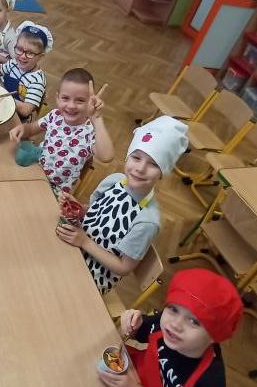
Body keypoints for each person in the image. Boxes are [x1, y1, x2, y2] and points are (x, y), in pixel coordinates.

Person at [103, 269, 243, 387]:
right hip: (123, 379)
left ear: (215, 336)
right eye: (173, 309)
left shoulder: (210, 385)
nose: (175, 324)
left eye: (194, 321)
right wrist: (131, 323)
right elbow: (141, 331)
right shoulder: (168, 326)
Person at [56, 116, 189, 293]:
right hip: (75, 246)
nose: (140, 168)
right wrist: (79, 208)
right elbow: (95, 212)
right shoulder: (114, 180)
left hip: (92, 277)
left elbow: (123, 268)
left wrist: (84, 242)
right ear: (127, 157)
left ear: (162, 172)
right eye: (136, 157)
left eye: (153, 164)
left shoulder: (146, 221)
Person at [9, 68, 114, 193]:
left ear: (89, 103)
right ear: (57, 98)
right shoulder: (55, 115)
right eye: (65, 98)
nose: (71, 106)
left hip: (57, 189)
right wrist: (22, 128)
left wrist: (97, 118)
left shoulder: (90, 131)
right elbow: (32, 129)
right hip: (36, 168)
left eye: (80, 100)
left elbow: (106, 156)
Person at [0, 21, 53, 121]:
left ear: (40, 57)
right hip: (2, 106)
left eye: (30, 53)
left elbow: (26, 110)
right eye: (19, 49)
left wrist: (4, 97)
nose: (22, 56)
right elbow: (0, 71)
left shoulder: (37, 81)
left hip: (18, 119)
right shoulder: (14, 63)